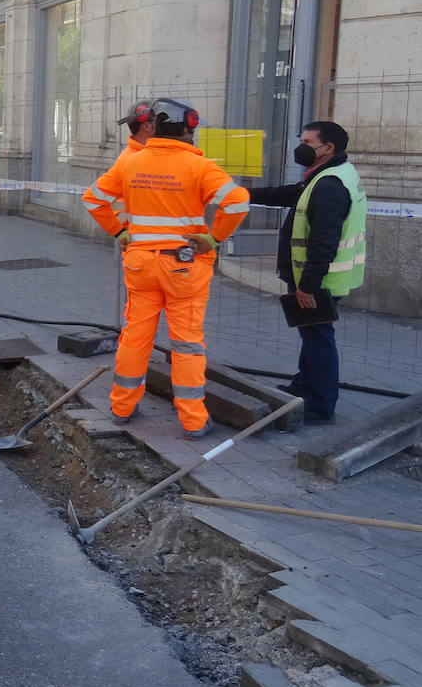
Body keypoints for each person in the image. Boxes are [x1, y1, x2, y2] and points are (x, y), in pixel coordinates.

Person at [82, 98, 249, 439]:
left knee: (135, 337)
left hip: (141, 263)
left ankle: (122, 407)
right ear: (189, 130)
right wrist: (214, 238)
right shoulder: (200, 167)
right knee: (186, 344)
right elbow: (238, 202)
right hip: (184, 267)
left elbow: (93, 198)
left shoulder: (131, 161)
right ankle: (192, 421)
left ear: (154, 127)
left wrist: (120, 232)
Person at [246, 121, 365, 426]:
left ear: (329, 148)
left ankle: (321, 405)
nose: (302, 147)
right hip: (315, 278)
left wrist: (308, 286)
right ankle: (303, 387)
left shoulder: (329, 185)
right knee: (311, 335)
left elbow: (324, 242)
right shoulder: (327, 175)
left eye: (309, 142)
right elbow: (288, 194)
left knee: (318, 338)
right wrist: (243, 194)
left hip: (318, 281)